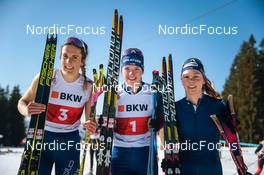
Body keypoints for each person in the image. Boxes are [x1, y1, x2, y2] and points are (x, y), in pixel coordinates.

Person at [17, 37, 96, 175]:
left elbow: (90, 120)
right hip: (42, 138)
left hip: (69, 143)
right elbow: (22, 102)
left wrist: (91, 125)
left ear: (82, 61)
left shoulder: (88, 86)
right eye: (65, 56)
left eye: (74, 57)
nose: (68, 62)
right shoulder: (46, 76)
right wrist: (26, 110)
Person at [174, 58, 244, 175]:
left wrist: (241, 167)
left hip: (212, 170)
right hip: (184, 170)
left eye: (196, 76)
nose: (191, 81)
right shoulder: (175, 108)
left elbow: (232, 141)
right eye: (186, 77)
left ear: (203, 80)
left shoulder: (217, 106)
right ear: (181, 80)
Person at [110, 48, 163, 175]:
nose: (131, 74)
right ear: (121, 69)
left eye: (136, 69)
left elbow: (162, 124)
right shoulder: (114, 93)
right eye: (127, 68)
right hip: (120, 152)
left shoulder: (152, 92)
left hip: (145, 153)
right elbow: (107, 125)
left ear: (143, 70)